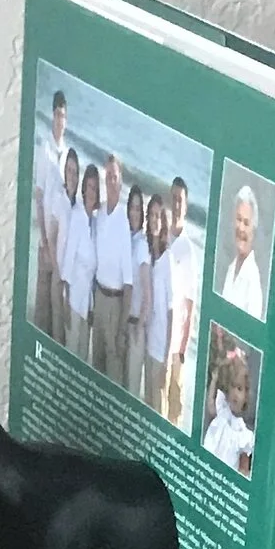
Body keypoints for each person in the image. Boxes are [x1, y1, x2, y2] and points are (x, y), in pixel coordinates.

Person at [30, 91, 71, 331]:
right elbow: (39, 195)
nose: (59, 120)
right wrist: (44, 239)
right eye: (56, 115)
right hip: (47, 238)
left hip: (60, 242)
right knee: (42, 302)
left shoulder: (67, 153)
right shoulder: (45, 149)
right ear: (52, 116)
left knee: (56, 303)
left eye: (63, 116)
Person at [89, 156, 132, 376]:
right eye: (108, 177)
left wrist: (122, 328)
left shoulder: (125, 220)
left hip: (115, 304)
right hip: (98, 297)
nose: (111, 181)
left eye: (115, 177)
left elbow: (129, 283)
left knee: (113, 367)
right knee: (96, 362)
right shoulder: (100, 214)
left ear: (121, 181)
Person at [163, 175, 200, 420]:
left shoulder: (188, 250)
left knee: (174, 402)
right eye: (174, 198)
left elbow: (191, 303)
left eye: (180, 200)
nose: (176, 204)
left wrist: (183, 348)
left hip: (176, 341)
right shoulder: (162, 238)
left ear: (186, 206)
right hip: (159, 332)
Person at [56, 157, 100, 354]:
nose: (92, 192)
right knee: (72, 348)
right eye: (89, 187)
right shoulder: (77, 215)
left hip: (87, 301)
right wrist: (65, 299)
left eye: (95, 188)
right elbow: (68, 258)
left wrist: (92, 306)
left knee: (83, 351)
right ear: (84, 188)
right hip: (73, 297)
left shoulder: (96, 223)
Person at [139, 195, 173, 414]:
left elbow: (172, 313)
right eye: (151, 215)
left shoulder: (168, 260)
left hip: (161, 351)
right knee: (147, 405)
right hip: (148, 345)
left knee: (158, 411)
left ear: (163, 222)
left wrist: (167, 361)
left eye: (158, 216)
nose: (154, 220)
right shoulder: (148, 256)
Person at [202, 343, 254, 472]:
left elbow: (244, 469)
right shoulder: (222, 411)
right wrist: (214, 381)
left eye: (240, 389)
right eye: (233, 387)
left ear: (246, 395)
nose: (235, 393)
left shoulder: (243, 435)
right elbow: (210, 406)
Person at [220, 179, 266, 317]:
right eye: (238, 219)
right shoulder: (231, 269)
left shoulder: (252, 280)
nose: (241, 228)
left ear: (253, 229)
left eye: (246, 223)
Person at [118, 184, 148, 393]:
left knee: (131, 388)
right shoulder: (124, 238)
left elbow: (147, 292)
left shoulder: (142, 245)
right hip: (121, 321)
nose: (135, 213)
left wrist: (139, 326)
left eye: (138, 209)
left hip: (135, 324)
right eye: (132, 208)